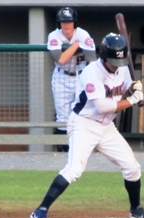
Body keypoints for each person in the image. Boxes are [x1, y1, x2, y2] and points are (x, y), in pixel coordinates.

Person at [30, 33, 144, 218]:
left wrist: (133, 87)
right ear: (104, 57)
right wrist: (133, 99)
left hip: (106, 127)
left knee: (132, 167)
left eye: (119, 60)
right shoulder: (91, 72)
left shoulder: (122, 69)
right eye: (114, 60)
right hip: (84, 124)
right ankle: (40, 210)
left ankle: (136, 209)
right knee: (75, 169)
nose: (117, 64)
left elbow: (124, 88)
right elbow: (103, 106)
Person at [47, 7, 97, 152]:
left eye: (69, 21)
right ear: (59, 23)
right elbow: (61, 60)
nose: (66, 24)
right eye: (63, 21)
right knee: (62, 115)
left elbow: (92, 61)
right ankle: (64, 148)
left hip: (80, 75)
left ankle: (79, 147)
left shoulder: (83, 34)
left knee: (81, 112)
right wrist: (76, 45)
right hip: (62, 76)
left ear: (74, 22)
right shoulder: (54, 35)